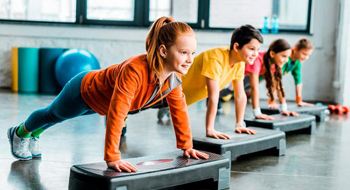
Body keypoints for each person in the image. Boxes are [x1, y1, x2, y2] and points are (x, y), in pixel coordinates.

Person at [7, 17, 208, 172]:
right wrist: (112, 157)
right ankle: (19, 133)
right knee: (52, 114)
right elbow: (118, 113)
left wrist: (186, 146)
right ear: (163, 51)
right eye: (184, 52)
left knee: (59, 117)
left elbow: (179, 111)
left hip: (99, 104)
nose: (190, 59)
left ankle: (35, 133)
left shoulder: (172, 80)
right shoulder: (135, 70)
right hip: (84, 91)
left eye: (193, 53)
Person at [159, 25, 263, 139]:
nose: (256, 54)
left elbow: (240, 95)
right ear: (237, 47)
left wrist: (239, 124)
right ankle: (166, 107)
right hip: (165, 92)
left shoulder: (240, 63)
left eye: (257, 49)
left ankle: (167, 108)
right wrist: (210, 129)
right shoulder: (215, 58)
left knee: (172, 105)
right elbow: (213, 97)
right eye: (252, 49)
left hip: (181, 99)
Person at [244, 39, 299, 118]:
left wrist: (283, 109)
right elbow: (254, 88)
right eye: (283, 56)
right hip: (238, 76)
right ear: (272, 54)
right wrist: (257, 113)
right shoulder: (257, 59)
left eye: (288, 57)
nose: (287, 60)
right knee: (228, 91)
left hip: (246, 77)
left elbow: (279, 86)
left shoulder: (275, 64)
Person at [277, 38, 314, 107]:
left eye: (308, 55)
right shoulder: (285, 57)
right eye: (304, 54)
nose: (306, 57)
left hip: (266, 78)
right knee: (250, 92)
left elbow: (298, 81)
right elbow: (276, 79)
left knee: (250, 93)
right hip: (257, 75)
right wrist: (272, 102)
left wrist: (299, 100)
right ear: (295, 49)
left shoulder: (297, 62)